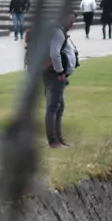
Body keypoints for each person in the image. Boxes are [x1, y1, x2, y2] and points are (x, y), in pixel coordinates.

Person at [42, 12, 78, 149]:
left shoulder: (56, 30)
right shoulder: (57, 32)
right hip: (54, 75)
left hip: (53, 74)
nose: (72, 25)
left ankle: (58, 138)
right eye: (71, 22)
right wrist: (60, 72)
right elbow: (54, 54)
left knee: (59, 106)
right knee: (53, 107)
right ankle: (53, 141)